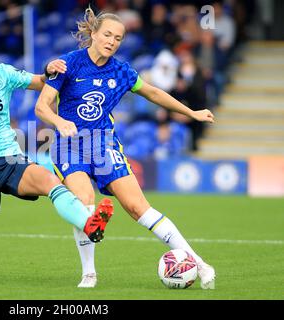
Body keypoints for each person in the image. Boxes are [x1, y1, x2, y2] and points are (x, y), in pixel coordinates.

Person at [35, 7, 216, 289]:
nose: (111, 41)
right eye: (107, 34)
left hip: (103, 145)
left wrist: (191, 113)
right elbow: (41, 106)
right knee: (84, 202)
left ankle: (200, 264)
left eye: (118, 38)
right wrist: (59, 121)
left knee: (137, 207)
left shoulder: (121, 71)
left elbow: (154, 93)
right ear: (93, 34)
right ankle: (89, 274)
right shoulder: (67, 64)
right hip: (68, 147)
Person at [0, 22, 113, 266]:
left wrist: (48, 70)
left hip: (9, 159)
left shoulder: (2, 73)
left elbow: (40, 81)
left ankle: (89, 225)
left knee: (50, 181)